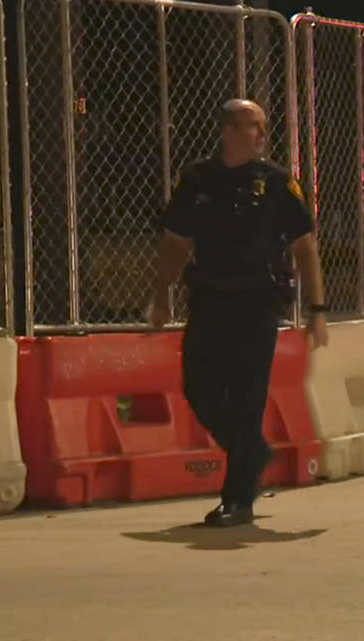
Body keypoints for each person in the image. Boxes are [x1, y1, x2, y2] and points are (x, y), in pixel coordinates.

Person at [147, 99, 330, 526]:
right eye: (244, 125)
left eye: (256, 126)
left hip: (257, 304)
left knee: (248, 399)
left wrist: (317, 309)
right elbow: (176, 243)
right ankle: (252, 454)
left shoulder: (278, 183)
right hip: (209, 300)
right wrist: (160, 296)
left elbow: (305, 247)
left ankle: (238, 499)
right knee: (199, 389)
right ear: (226, 130)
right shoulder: (197, 180)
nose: (254, 133)